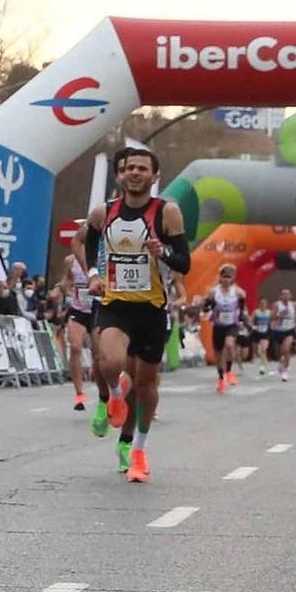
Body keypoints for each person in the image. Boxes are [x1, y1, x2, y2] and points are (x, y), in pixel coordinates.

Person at [84, 146, 192, 481]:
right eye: (130, 168)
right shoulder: (104, 212)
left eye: (143, 169)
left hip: (151, 308)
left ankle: (138, 449)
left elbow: (184, 262)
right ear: (120, 174)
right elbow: (89, 242)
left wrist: (165, 252)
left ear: (154, 176)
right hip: (116, 303)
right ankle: (115, 397)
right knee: (110, 361)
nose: (135, 173)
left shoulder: (167, 212)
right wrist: (93, 275)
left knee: (145, 385)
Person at [61, 252, 98, 411]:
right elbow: (67, 281)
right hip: (79, 311)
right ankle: (79, 394)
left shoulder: (101, 258)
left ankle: (95, 369)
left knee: (99, 355)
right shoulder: (70, 260)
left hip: (98, 311)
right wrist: (64, 288)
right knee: (75, 347)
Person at [203, 264, 247, 394]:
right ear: (220, 278)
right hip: (218, 325)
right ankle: (221, 378)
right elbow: (206, 307)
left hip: (231, 325)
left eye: (229, 277)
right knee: (218, 354)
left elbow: (242, 308)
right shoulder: (213, 292)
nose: (226, 280)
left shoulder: (238, 292)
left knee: (229, 345)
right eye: (224, 277)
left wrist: (240, 320)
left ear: (232, 278)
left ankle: (228, 371)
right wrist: (208, 309)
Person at [269, 288, 296, 381]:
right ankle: (280, 367)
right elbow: (272, 317)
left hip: (289, 330)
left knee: (286, 349)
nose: (285, 296)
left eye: (287, 294)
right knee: (281, 352)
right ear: (280, 296)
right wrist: (280, 315)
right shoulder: (277, 305)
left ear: (290, 296)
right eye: (283, 294)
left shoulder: (294, 304)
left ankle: (285, 371)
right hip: (278, 331)